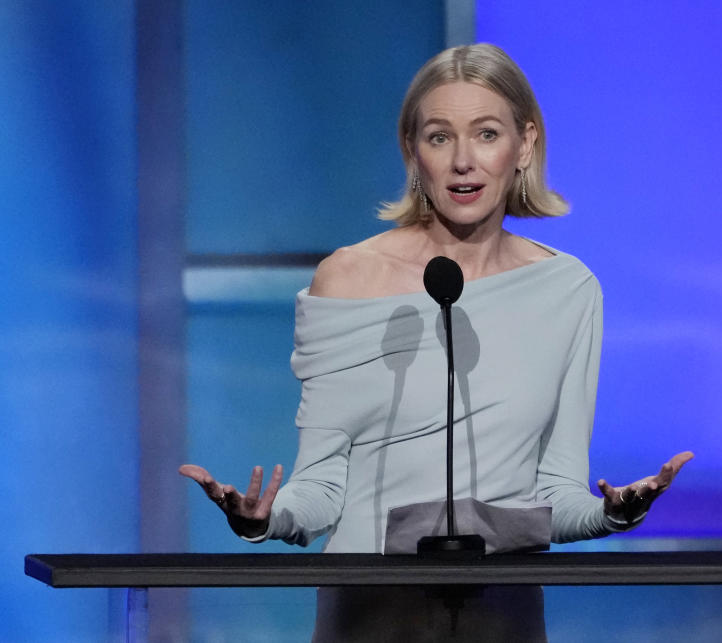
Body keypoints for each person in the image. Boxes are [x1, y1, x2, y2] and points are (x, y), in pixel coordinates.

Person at [180, 43, 693, 640]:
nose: (463, 162)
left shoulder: (568, 291)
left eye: (486, 133)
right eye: (440, 137)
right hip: (371, 606)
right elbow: (322, 486)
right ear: (412, 153)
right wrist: (264, 519)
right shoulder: (348, 279)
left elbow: (553, 496)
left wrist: (612, 513)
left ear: (524, 145)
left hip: (501, 610)